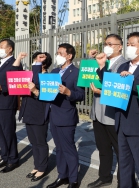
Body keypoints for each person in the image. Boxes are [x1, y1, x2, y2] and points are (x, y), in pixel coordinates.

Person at [97, 32, 139, 188]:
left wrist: (130, 81)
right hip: (121, 122)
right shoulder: (124, 65)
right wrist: (101, 67)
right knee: (125, 165)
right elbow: (111, 84)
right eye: (128, 44)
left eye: (133, 45)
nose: (129, 47)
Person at [87, 34, 127, 188]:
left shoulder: (124, 64)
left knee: (120, 150)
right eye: (105, 43)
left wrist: (102, 92)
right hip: (98, 112)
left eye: (111, 43)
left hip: (113, 114)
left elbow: (118, 89)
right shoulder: (102, 60)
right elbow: (89, 75)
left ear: (120, 46)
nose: (107, 46)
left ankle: (124, 181)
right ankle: (104, 177)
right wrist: (92, 61)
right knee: (103, 148)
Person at [45, 43, 84, 188]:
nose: (57, 56)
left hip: (66, 116)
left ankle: (73, 179)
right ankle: (62, 176)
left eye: (61, 53)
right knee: (59, 148)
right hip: (53, 114)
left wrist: (68, 92)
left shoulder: (76, 72)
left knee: (68, 148)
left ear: (69, 56)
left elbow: (80, 95)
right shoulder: (54, 71)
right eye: (57, 53)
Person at [0, 38, 23, 173]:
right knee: (0, 133)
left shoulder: (15, 63)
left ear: (10, 49)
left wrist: (1, 87)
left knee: (8, 133)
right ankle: (5, 157)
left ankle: (13, 159)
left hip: (7, 102)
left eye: (2, 46)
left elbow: (17, 83)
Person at [17, 52, 52, 182]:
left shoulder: (48, 77)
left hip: (40, 113)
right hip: (28, 112)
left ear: (46, 62)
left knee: (40, 141)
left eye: (41, 58)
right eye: (36, 58)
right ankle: (37, 166)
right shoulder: (29, 75)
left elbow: (48, 96)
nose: (38, 59)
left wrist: (35, 91)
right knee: (33, 142)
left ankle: (42, 167)